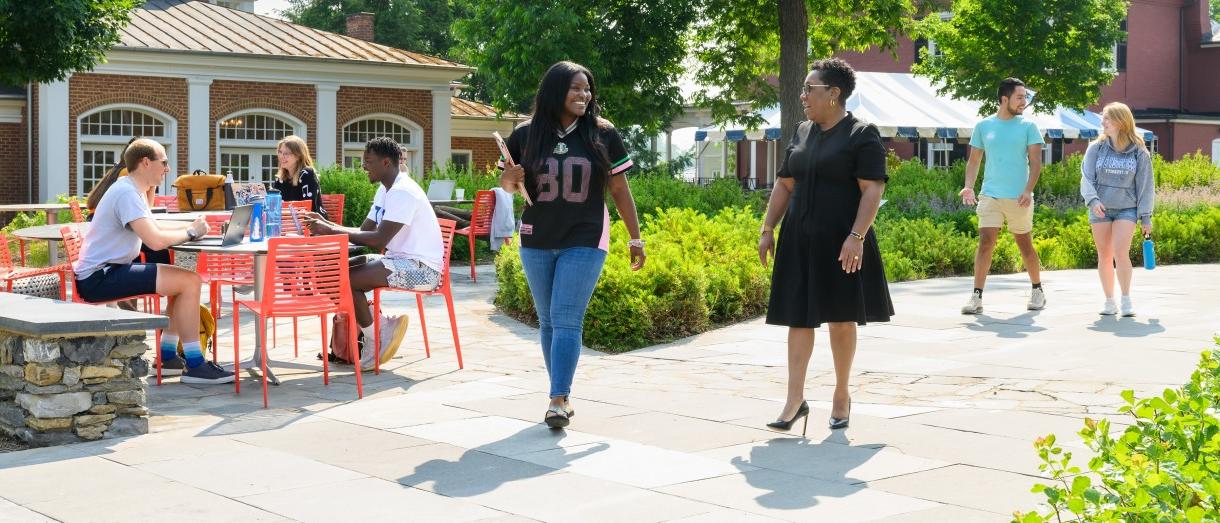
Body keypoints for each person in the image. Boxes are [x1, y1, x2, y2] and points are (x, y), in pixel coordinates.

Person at [499, 61, 646, 429]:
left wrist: (635, 237)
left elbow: (618, 189)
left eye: (587, 89)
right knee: (548, 321)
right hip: (536, 238)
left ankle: (558, 399)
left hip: (585, 237)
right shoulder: (525, 134)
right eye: (576, 89)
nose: (584, 95)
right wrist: (507, 178)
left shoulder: (602, 133)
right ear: (555, 91)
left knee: (566, 319)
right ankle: (560, 392)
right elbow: (508, 186)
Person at [758, 58, 892, 435]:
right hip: (799, 238)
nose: (803, 96)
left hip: (842, 240)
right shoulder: (802, 131)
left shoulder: (862, 134)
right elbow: (785, 184)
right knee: (797, 316)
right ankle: (794, 400)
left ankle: (841, 394)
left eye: (809, 89)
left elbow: (873, 190)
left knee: (840, 316)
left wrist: (857, 236)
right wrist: (768, 227)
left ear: (833, 94)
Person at [73, 138, 232, 383]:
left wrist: (191, 225)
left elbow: (153, 225)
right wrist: (191, 232)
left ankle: (168, 358)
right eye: (164, 162)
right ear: (146, 162)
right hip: (99, 278)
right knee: (189, 282)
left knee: (181, 282)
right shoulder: (126, 193)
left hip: (106, 272)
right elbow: (155, 240)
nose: (168, 169)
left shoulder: (129, 188)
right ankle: (196, 365)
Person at [303, 137, 443, 369]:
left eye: (368, 161)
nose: (363, 166)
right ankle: (378, 326)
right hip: (399, 260)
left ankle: (374, 335)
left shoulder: (403, 192)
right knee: (332, 275)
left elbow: (379, 239)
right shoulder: (385, 190)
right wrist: (327, 225)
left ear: (386, 162)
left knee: (347, 279)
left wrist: (330, 229)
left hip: (423, 270)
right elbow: (363, 231)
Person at [959, 77, 1047, 314]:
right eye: (1020, 97)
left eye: (1025, 97)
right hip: (990, 195)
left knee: (1024, 244)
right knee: (986, 242)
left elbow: (1036, 163)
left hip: (1019, 197)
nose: (1024, 102)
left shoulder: (1029, 127)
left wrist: (1028, 190)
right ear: (1004, 99)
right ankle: (976, 296)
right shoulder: (984, 126)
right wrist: (969, 186)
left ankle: (1037, 289)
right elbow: (974, 160)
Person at [1080, 102, 1154, 317]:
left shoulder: (1139, 152)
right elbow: (1086, 178)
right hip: (1100, 209)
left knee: (1121, 253)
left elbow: (1146, 186)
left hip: (1126, 210)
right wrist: (1093, 201)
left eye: (1107, 119)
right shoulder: (1096, 147)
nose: (1102, 123)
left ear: (1121, 122)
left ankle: (1126, 299)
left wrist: (1146, 216)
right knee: (1104, 256)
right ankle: (1109, 301)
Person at [86, 137, 171, 265]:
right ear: (144, 161)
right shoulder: (130, 176)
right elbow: (147, 207)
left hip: (98, 219)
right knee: (158, 250)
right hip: (111, 226)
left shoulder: (118, 170)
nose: (166, 169)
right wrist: (152, 184)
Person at [272, 135, 328, 220]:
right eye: (280, 152)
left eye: (286, 153)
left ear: (298, 156)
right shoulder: (280, 179)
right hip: (288, 224)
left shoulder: (307, 174)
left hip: (312, 226)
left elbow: (309, 209)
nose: (281, 156)